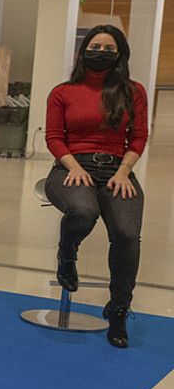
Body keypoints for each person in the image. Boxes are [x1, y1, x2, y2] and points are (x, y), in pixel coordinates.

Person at [44, 24, 148, 348]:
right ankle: (67, 253)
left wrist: (123, 171)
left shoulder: (134, 91)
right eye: (94, 46)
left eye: (108, 48)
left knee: (127, 235)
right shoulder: (62, 92)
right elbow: (53, 137)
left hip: (117, 170)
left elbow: (139, 137)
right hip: (71, 166)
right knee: (83, 211)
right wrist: (73, 166)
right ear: (83, 51)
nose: (99, 53)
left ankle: (118, 311)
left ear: (119, 55)